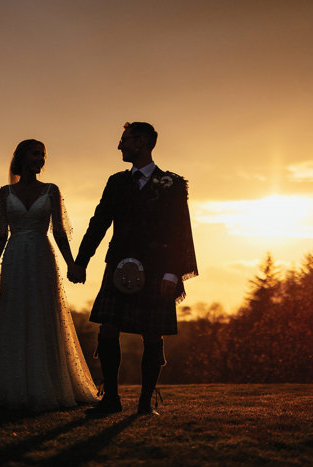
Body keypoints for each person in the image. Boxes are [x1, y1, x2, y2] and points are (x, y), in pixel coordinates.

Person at [68, 122, 198, 416]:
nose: (120, 145)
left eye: (124, 139)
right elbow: (99, 223)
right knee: (108, 329)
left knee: (152, 334)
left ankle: (144, 404)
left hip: (158, 268)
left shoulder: (172, 184)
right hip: (118, 266)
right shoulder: (116, 182)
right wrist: (81, 261)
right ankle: (110, 399)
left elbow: (180, 231)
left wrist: (172, 273)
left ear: (141, 141)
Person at [0, 139, 99, 411]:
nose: (40, 159)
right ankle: (15, 389)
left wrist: (72, 263)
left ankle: (48, 385)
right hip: (13, 258)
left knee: (42, 314)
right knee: (15, 316)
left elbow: (59, 231)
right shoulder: (4, 192)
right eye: (36, 154)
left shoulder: (51, 190)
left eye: (43, 155)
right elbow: (1, 233)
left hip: (41, 255)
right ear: (22, 156)